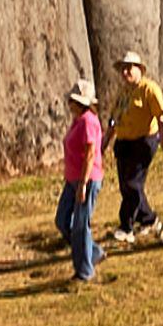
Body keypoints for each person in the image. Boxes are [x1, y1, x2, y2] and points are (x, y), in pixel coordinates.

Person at [107, 51, 163, 243]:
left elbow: (161, 115)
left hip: (144, 141)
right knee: (127, 186)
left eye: (129, 68)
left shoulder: (149, 89)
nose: (125, 73)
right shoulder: (123, 91)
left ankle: (126, 227)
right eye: (122, 69)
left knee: (133, 184)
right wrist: (105, 141)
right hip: (124, 142)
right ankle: (149, 219)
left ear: (139, 69)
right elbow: (113, 119)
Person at [55, 81, 107, 286]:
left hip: (87, 179)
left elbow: (90, 154)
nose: (69, 103)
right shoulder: (77, 120)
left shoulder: (88, 121)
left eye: (73, 100)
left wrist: (83, 184)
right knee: (62, 220)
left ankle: (84, 271)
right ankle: (93, 251)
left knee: (80, 225)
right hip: (72, 179)